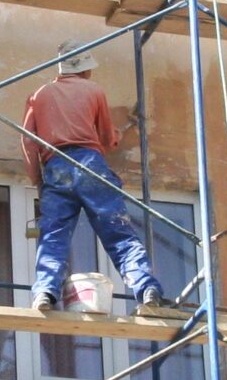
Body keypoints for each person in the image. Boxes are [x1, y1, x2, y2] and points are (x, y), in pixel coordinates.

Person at [20, 41, 167, 312]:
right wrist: (115, 138)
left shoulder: (39, 95)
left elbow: (28, 142)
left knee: (53, 236)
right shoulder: (94, 91)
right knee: (118, 232)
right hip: (90, 165)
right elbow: (106, 138)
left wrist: (39, 182)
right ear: (86, 70)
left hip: (56, 168)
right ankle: (146, 288)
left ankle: (44, 293)